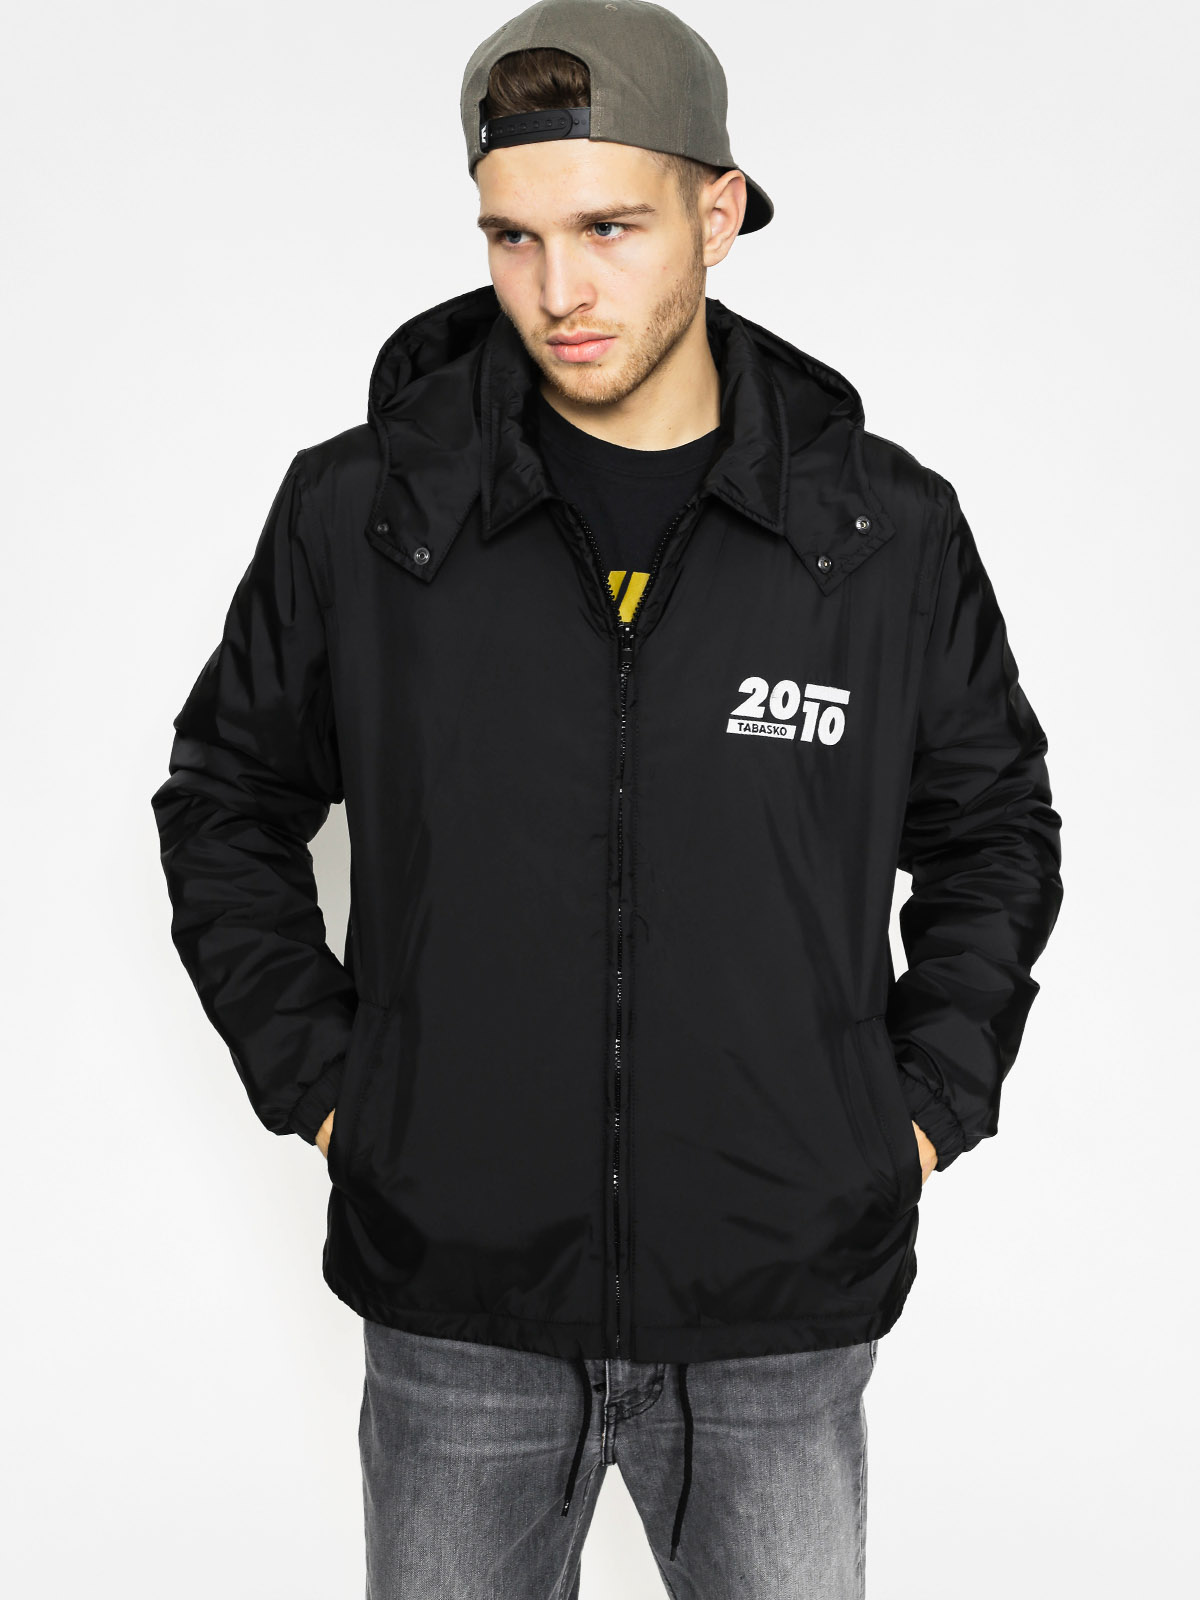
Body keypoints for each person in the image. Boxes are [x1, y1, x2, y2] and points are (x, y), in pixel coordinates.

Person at [149, 2, 1064, 1594]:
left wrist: (911, 1113)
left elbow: (993, 832)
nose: (557, 290)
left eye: (609, 228)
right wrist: (342, 1093)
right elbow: (225, 798)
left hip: (777, 1307)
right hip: (460, 1312)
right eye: (512, 237)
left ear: (721, 211)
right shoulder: (367, 516)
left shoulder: (878, 534)